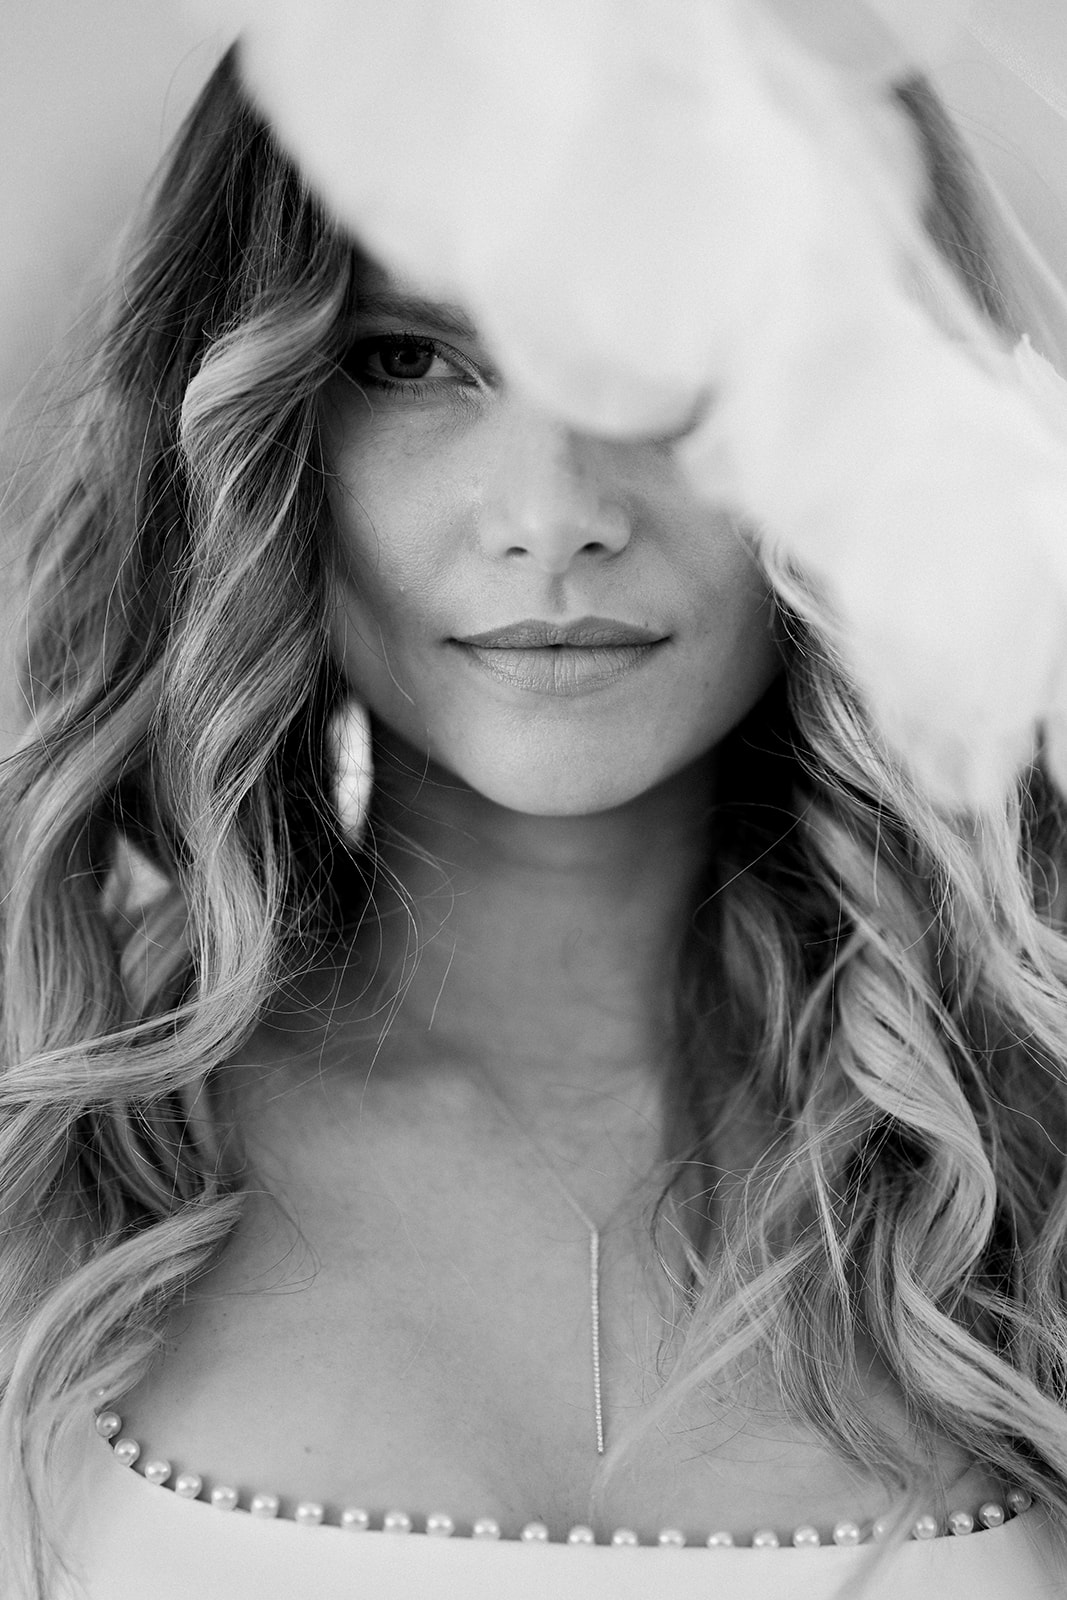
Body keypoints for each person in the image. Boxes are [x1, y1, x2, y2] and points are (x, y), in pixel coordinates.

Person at [1, 42, 1065, 1600]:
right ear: (256, 423)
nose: (553, 512)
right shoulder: (44, 1147)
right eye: (409, 360)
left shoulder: (1034, 1161)